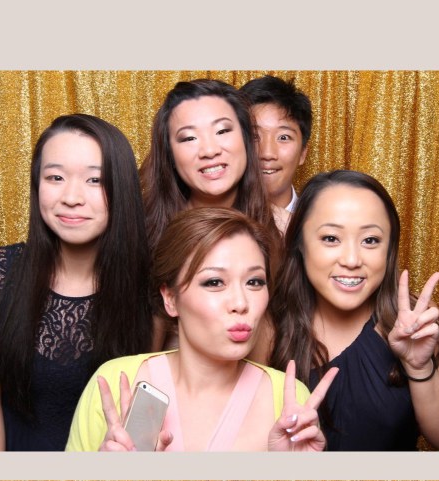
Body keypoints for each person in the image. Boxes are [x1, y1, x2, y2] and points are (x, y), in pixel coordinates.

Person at [66, 209, 335, 453]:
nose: (241, 303)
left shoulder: (289, 399)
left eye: (254, 282)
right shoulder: (114, 383)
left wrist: (294, 473)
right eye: (215, 282)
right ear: (170, 299)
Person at [0, 113, 151, 451]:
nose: (71, 197)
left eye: (94, 180)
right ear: (37, 184)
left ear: (121, 188)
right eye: (55, 177)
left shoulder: (150, 285)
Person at [271, 170, 439, 451]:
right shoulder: (269, 325)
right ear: (299, 244)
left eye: (370, 240)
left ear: (389, 251)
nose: (352, 259)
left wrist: (419, 367)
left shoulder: (416, 319)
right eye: (330, 238)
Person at [141, 77, 276, 251]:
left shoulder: (286, 230)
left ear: (246, 140)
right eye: (189, 138)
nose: (210, 151)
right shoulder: (141, 233)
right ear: (170, 155)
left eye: (222, 131)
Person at [239, 75, 312, 230]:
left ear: (302, 153)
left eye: (283, 137)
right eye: (254, 136)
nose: (267, 153)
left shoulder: (318, 226)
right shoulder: (211, 223)